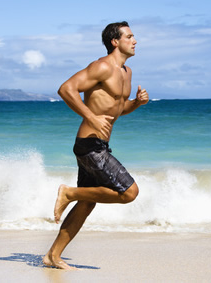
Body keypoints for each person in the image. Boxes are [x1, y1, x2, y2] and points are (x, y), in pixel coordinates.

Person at [43, 21, 149, 270]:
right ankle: (68, 193)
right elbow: (66, 89)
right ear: (115, 41)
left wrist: (136, 103)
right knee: (129, 193)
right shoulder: (101, 66)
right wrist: (90, 116)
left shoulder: (126, 72)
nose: (135, 41)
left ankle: (52, 256)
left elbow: (117, 109)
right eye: (130, 36)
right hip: (89, 145)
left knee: (88, 203)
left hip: (99, 144)